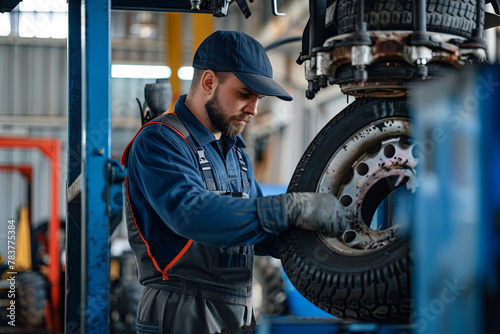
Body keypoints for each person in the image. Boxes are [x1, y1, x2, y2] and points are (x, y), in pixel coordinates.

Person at [122, 30, 353, 334]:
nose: (254, 110)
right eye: (245, 94)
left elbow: (258, 232)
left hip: (240, 308)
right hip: (182, 310)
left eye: (258, 99)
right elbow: (192, 214)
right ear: (208, 82)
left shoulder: (235, 153)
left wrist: (320, 242)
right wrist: (291, 207)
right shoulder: (161, 141)